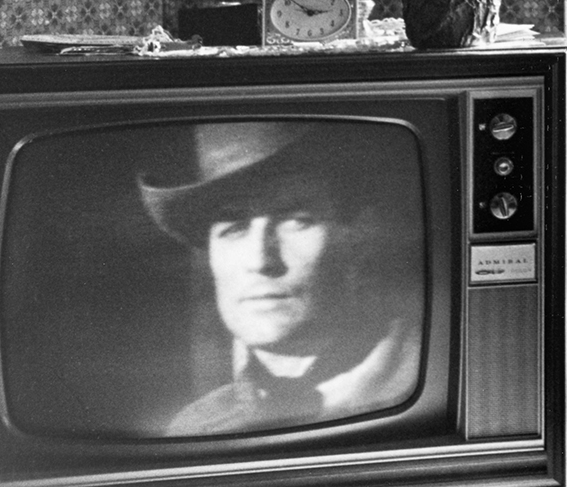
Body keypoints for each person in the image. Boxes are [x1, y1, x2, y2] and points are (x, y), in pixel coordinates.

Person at [140, 121, 423, 435]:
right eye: (234, 228)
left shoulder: (426, 386)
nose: (261, 260)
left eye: (296, 221)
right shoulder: (195, 428)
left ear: (356, 238)